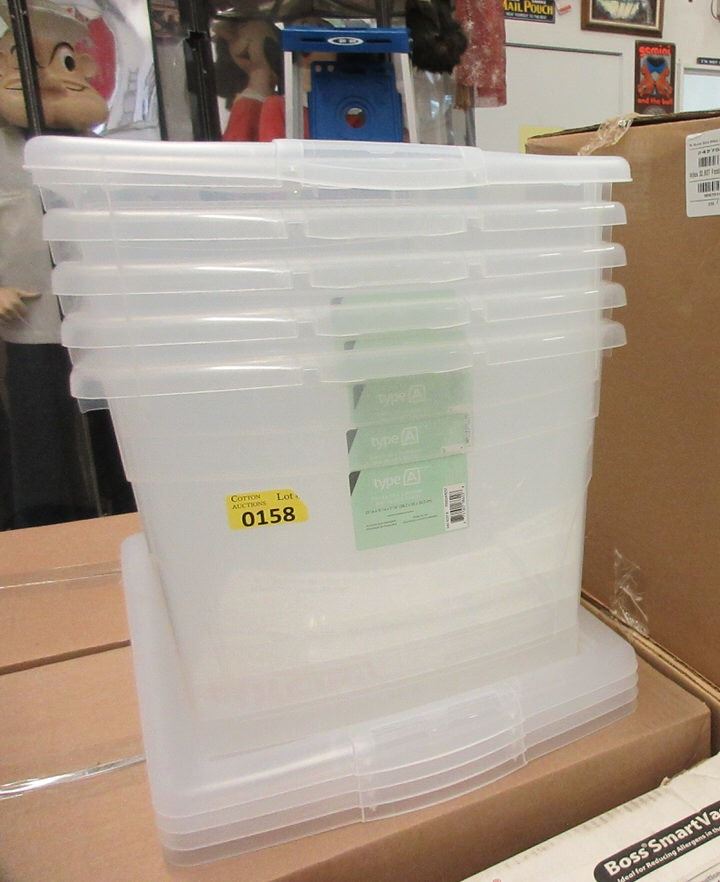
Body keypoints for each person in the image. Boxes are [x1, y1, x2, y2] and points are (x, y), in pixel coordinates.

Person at [0, 0, 131, 527]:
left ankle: (117, 506)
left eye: (67, 62)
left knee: (107, 423)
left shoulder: (81, 147)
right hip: (26, 322)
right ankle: (46, 521)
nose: (56, 80)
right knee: (40, 426)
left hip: (95, 317)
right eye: (30, 63)